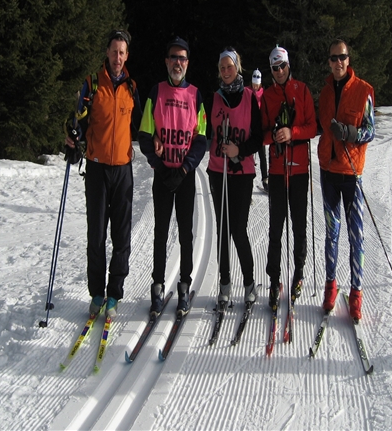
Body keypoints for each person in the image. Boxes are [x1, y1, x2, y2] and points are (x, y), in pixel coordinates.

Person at [66, 29, 142, 318]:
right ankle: (97, 293)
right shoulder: (92, 84)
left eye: (122, 52)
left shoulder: (131, 87)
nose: (118, 57)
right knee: (96, 235)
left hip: (122, 170)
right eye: (114, 51)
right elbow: (77, 120)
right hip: (97, 168)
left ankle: (114, 293)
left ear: (126, 56)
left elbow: (143, 125)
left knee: (121, 236)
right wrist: (72, 134)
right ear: (107, 53)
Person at [138, 37, 207, 316]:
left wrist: (185, 168)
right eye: (173, 58)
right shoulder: (156, 91)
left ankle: (184, 285)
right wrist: (160, 165)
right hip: (163, 174)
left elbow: (201, 138)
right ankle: (157, 286)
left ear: (188, 63)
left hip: (185, 176)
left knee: (186, 235)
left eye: (182, 58)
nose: (177, 63)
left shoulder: (195, 94)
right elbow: (144, 134)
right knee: (160, 232)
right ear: (166, 61)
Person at [317, 39, 375, 321]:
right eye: (333, 58)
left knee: (356, 236)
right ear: (328, 62)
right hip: (328, 173)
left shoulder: (363, 91)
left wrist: (351, 133)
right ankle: (331, 285)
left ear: (348, 60)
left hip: (351, 174)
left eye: (342, 57)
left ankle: (356, 293)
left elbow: (371, 131)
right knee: (332, 233)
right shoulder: (326, 93)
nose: (338, 62)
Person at [261, 45, 317, 309]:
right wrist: (274, 135)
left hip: (298, 170)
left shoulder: (302, 90)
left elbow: (312, 127)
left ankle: (298, 273)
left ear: (288, 65)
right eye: (275, 67)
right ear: (271, 70)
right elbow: (260, 133)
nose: (280, 71)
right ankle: (274, 280)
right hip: (276, 170)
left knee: (298, 226)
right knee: (275, 227)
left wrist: (292, 132)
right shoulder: (267, 96)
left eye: (282, 66)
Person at [207, 47, 263, 306]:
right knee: (223, 231)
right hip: (218, 171)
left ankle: (249, 283)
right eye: (222, 68)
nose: (226, 71)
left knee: (239, 230)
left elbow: (259, 137)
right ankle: (225, 283)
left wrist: (240, 150)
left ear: (237, 67)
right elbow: (206, 132)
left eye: (229, 66)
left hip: (242, 173)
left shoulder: (250, 97)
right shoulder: (215, 98)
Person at [251, 69, 269, 192]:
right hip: (250, 130)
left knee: (262, 157)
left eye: (257, 84)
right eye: (254, 83)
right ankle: (248, 184)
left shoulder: (264, 95)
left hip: (260, 130)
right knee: (250, 158)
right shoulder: (247, 93)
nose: (255, 86)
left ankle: (265, 181)